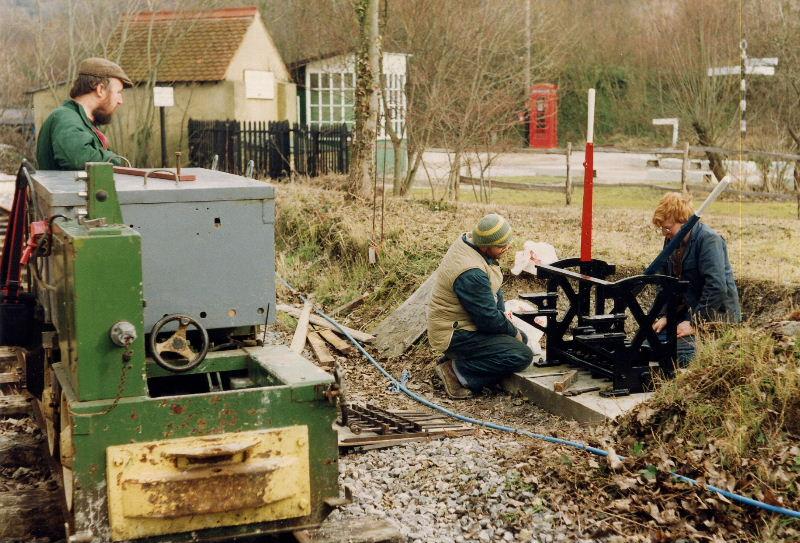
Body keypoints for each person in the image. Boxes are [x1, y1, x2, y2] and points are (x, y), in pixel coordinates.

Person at [428, 213, 534, 399]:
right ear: (485, 245)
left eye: (507, 243)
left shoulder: (470, 243)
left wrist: (510, 330)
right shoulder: (471, 273)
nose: (507, 248)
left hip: (462, 323)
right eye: (501, 246)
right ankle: (456, 372)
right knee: (521, 355)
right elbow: (488, 320)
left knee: (521, 340)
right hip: (455, 333)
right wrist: (512, 331)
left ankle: (465, 358)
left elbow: (490, 300)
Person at [650, 192, 741, 364]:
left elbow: (716, 287)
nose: (664, 233)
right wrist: (665, 315)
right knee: (649, 344)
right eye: (662, 229)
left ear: (684, 221)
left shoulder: (709, 240)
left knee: (677, 356)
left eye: (668, 228)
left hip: (715, 319)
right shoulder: (672, 240)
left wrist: (694, 323)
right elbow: (666, 282)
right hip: (688, 314)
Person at [36, 57, 132, 170]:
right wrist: (119, 161)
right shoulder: (66, 118)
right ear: (100, 89)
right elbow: (78, 159)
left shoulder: (83, 122)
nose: (120, 101)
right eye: (118, 92)